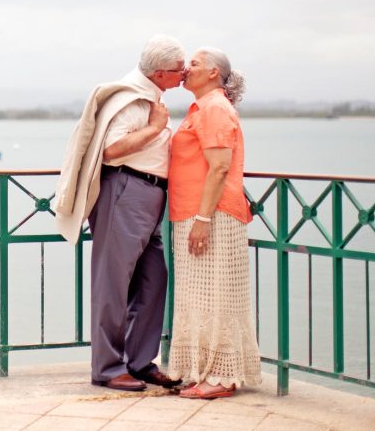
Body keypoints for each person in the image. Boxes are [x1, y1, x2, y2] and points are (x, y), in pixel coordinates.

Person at [55, 34, 185, 391]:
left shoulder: (149, 96)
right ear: (160, 73)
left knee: (153, 279)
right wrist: (155, 129)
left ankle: (140, 361)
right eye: (178, 69)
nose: (184, 74)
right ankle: (109, 368)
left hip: (148, 195)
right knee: (112, 283)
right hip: (126, 191)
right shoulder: (132, 100)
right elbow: (112, 150)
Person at [166, 47, 262, 399]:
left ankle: (222, 377)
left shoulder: (215, 108)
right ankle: (204, 370)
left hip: (213, 216)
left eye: (194, 63)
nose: (185, 68)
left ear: (212, 73)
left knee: (218, 296)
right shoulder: (202, 107)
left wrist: (203, 219)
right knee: (200, 299)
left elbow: (220, 167)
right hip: (194, 215)